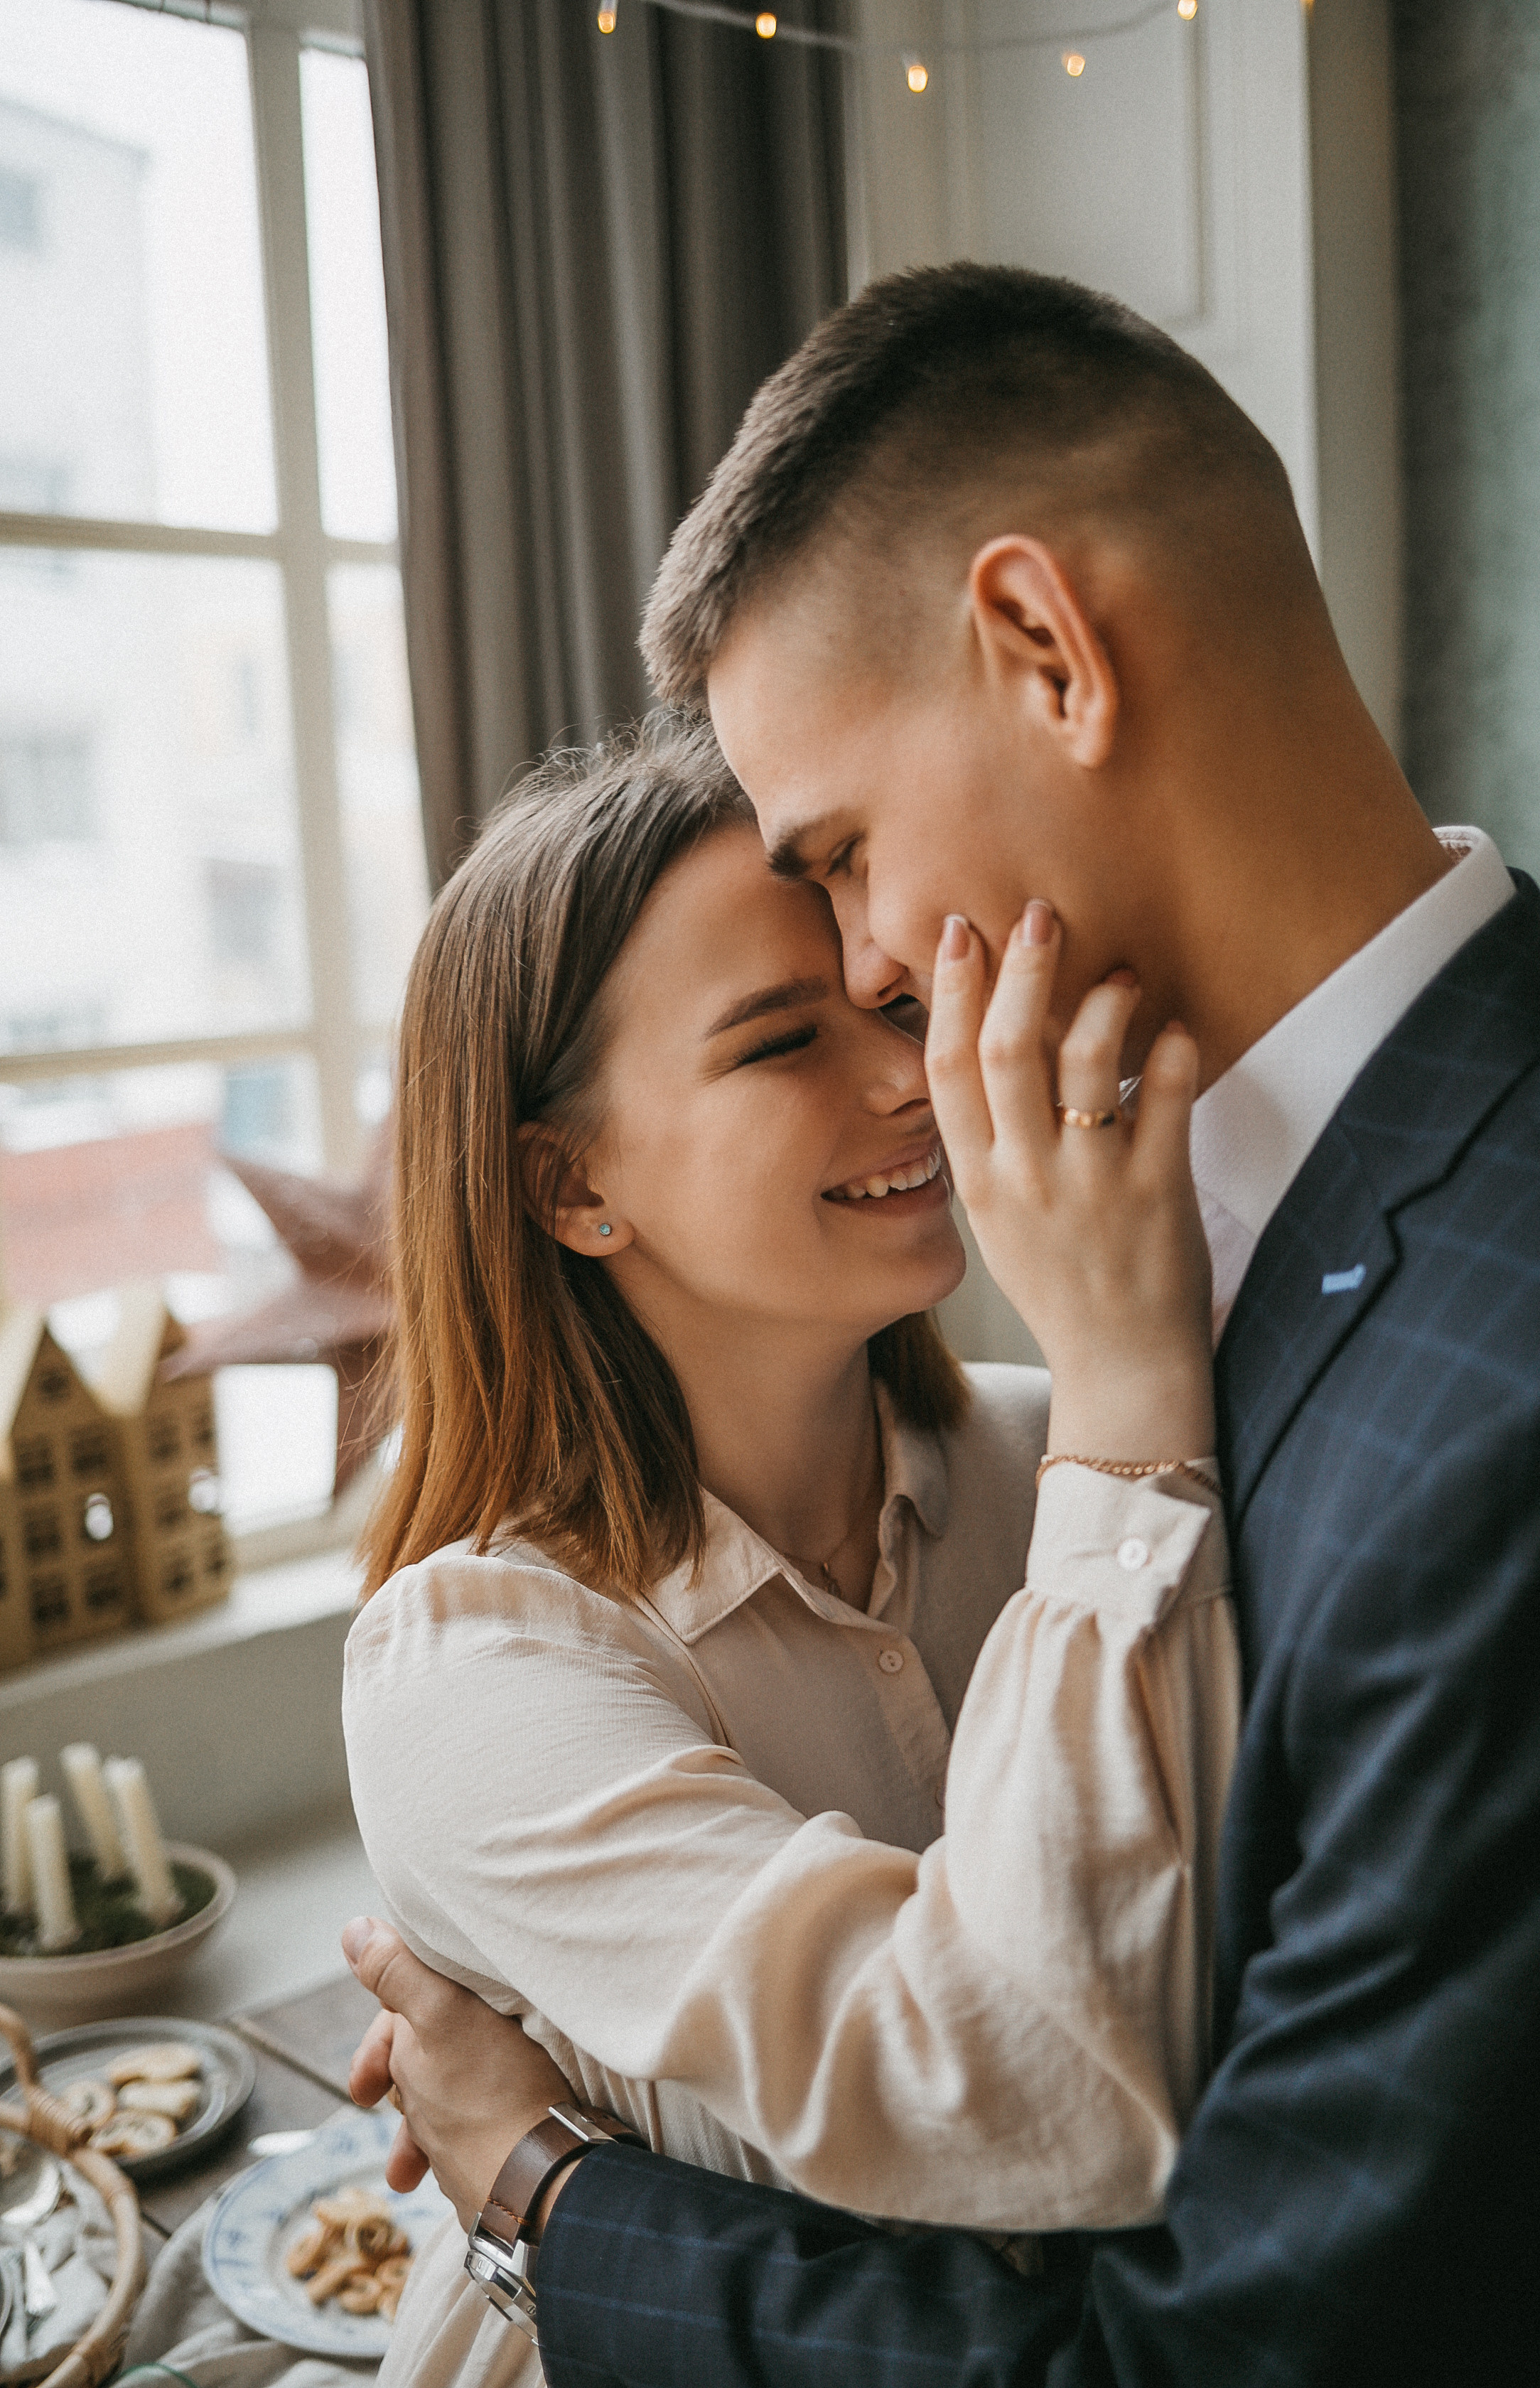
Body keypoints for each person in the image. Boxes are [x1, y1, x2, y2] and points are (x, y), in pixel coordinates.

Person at [345, 264, 1540, 2385]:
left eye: (839, 858)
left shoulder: (1275, 1395)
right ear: (566, 1181)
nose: (898, 1014)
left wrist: (550, 2193)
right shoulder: (1192, 1336)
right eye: (783, 1013)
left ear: (1044, 648)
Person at [342, 709, 1241, 2388]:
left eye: (894, 1006)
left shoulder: (1077, 1459)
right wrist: (1135, 1384)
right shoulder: (472, 1668)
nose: (911, 1074)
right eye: (778, 1043)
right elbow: (1011, 2090)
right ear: (567, 1186)